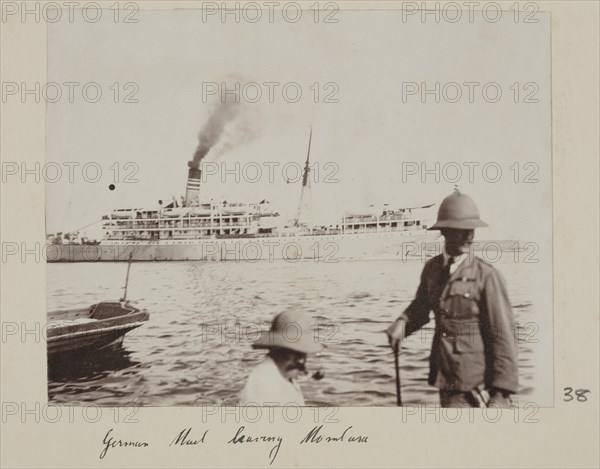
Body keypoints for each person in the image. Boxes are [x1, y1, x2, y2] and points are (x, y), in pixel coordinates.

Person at [386, 189, 518, 407]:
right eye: (461, 230)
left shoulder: (487, 276)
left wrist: (501, 393)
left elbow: (504, 336)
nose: (469, 236)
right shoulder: (432, 269)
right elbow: (421, 308)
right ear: (445, 231)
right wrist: (403, 323)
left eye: (471, 230)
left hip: (476, 389)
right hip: (445, 379)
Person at [239, 311, 322, 406]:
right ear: (276, 349)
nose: (301, 360)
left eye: (303, 353)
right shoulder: (266, 388)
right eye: (294, 353)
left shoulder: (279, 373)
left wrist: (311, 375)